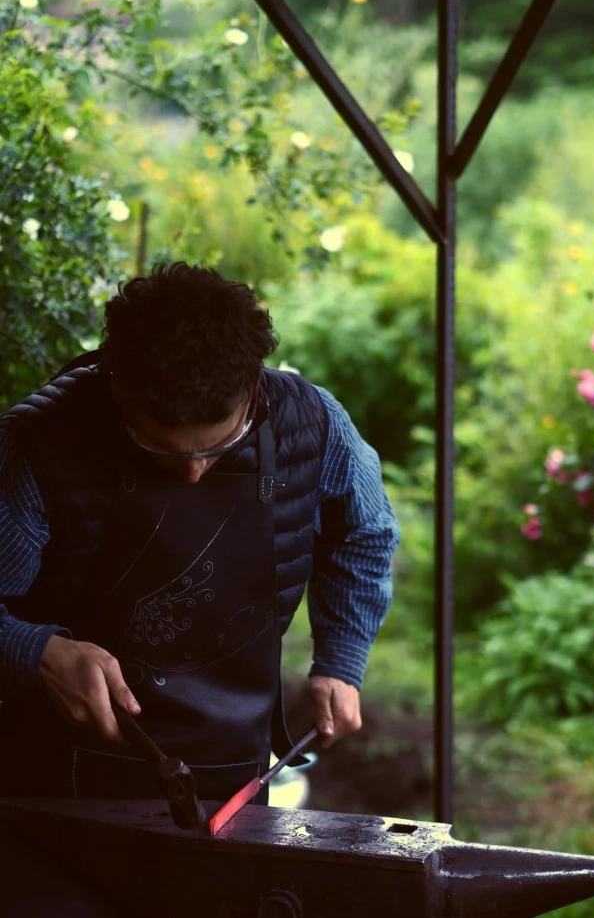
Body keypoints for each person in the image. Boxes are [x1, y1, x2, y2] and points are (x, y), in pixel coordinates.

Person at [0, 261, 400, 808]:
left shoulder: (313, 425)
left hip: (235, 776)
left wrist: (342, 659)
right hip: (48, 785)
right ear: (120, 391)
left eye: (217, 447)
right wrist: (36, 651)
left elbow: (365, 534)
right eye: (160, 449)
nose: (192, 472)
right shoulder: (38, 446)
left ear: (253, 386)